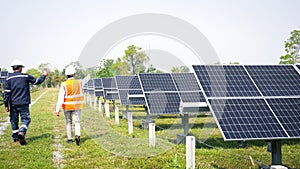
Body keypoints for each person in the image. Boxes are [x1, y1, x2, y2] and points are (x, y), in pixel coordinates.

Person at [4, 59, 48, 145]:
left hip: (13, 104)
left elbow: (6, 93)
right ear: (20, 68)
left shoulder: (8, 79)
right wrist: (44, 75)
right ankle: (22, 131)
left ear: (13, 68)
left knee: (14, 120)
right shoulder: (26, 76)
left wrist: (6, 105)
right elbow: (37, 81)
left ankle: (16, 138)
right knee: (26, 119)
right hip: (24, 102)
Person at [55, 65, 84, 145]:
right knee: (77, 121)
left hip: (67, 106)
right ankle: (77, 134)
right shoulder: (79, 83)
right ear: (74, 74)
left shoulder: (64, 84)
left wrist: (57, 109)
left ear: (66, 74)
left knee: (68, 122)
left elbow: (60, 97)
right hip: (77, 106)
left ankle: (70, 139)